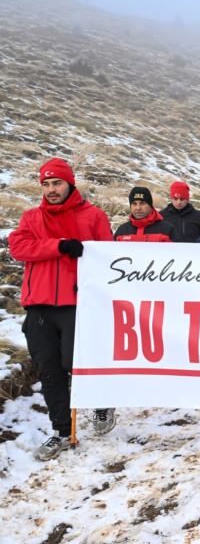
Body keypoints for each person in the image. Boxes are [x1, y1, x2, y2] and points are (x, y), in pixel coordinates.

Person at [8, 158, 115, 460]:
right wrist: (59, 246)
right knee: (49, 370)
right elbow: (18, 247)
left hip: (77, 305)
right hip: (39, 307)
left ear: (70, 183)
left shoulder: (93, 216)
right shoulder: (31, 217)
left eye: (57, 183)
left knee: (76, 362)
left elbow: (109, 258)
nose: (51, 189)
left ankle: (103, 401)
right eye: (46, 184)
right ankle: (62, 431)